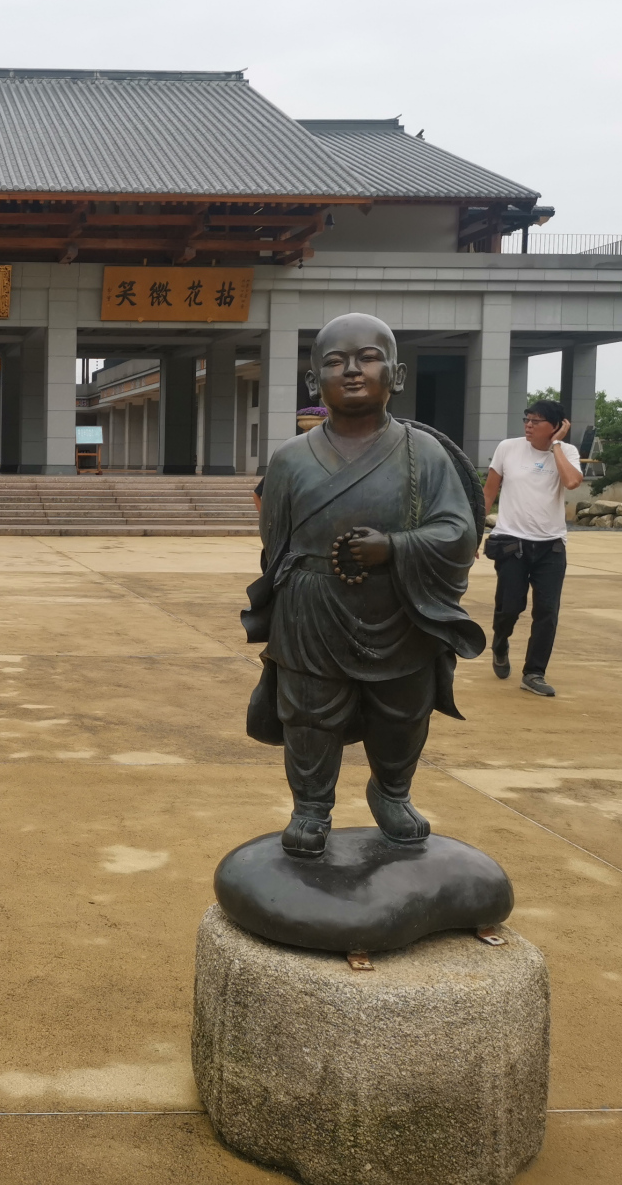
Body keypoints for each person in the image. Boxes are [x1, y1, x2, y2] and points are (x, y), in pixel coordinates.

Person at [244, 313, 484, 858]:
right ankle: (311, 805)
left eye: (368, 357)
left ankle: (392, 792)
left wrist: (395, 547)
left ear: (395, 374)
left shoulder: (424, 454)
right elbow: (275, 544)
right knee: (309, 713)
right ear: (313, 382)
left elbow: (458, 531)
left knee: (402, 708)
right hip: (311, 606)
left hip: (398, 606)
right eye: (334, 361)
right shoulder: (289, 460)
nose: (352, 370)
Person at [483, 399, 584, 697]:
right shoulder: (508, 448)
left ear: (556, 427)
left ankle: (534, 673)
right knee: (510, 607)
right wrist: (473, 532)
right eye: (527, 419)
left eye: (536, 421)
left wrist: (555, 447)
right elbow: (489, 492)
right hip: (512, 542)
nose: (528, 425)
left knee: (547, 612)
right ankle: (500, 642)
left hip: (551, 546)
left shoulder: (567, 453)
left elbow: (573, 482)